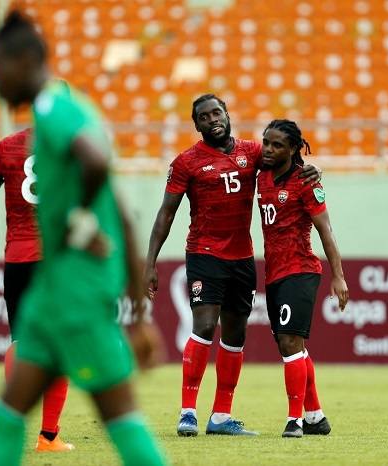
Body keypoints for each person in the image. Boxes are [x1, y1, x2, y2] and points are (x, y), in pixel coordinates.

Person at [0, 11, 166, 466]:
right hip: (53, 291)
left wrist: (77, 222)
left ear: (24, 59)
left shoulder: (51, 109)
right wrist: (137, 309)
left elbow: (96, 162)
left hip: (74, 296)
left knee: (120, 415)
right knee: (8, 413)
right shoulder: (75, 106)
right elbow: (119, 208)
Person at [144, 94, 321, 436]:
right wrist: (150, 262)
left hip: (242, 258)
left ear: (226, 114)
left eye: (217, 112)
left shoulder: (253, 152)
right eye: (204, 116)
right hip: (205, 253)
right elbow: (166, 214)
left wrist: (311, 167)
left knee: (236, 334)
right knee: (205, 324)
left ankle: (221, 416)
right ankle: (187, 412)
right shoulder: (186, 162)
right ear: (196, 125)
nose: (213, 119)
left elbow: (287, 161)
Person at [0, 128, 74, 452]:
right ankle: (48, 436)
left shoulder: (6, 147)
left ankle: (11, 429)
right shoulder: (73, 143)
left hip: (17, 259)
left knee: (20, 342)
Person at [257, 120, 349, 438]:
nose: (268, 149)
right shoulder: (261, 173)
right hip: (273, 273)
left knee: (290, 343)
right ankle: (315, 417)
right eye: (266, 143)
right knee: (292, 347)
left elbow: (326, 229)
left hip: (301, 269)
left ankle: (294, 420)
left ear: (294, 148)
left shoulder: (305, 181)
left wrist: (338, 276)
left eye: (277, 145)